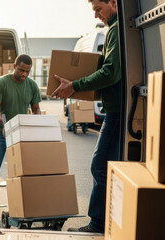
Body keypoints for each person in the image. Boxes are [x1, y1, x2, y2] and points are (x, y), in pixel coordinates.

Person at [51, 0, 122, 233]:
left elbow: (110, 72)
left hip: (117, 113)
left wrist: (76, 85)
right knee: (108, 166)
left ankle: (98, 224)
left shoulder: (116, 30)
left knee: (100, 165)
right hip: (118, 110)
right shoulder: (115, 29)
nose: (96, 16)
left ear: (113, 2)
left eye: (98, 9)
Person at [0, 54, 41, 215]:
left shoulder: (32, 85)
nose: (24, 74)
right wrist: (5, 123)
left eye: (27, 71)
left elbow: (36, 109)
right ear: (14, 66)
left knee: (21, 171)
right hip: (0, 132)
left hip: (20, 133)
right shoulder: (2, 82)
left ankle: (21, 205)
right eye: (21, 70)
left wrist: (39, 125)